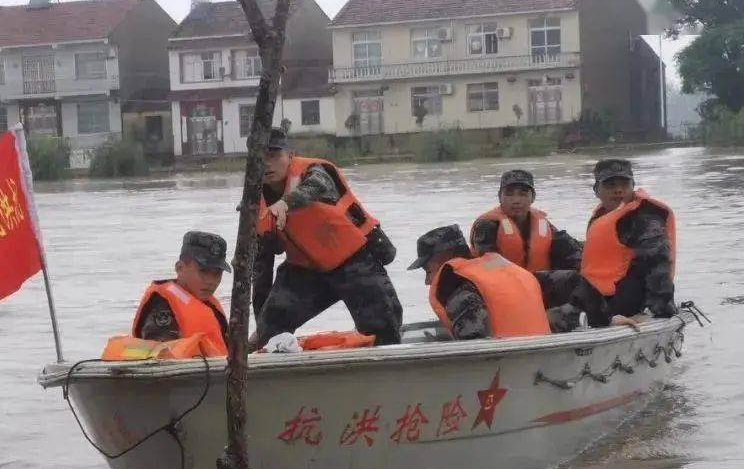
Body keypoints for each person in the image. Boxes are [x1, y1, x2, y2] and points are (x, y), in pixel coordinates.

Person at [252, 128, 402, 347]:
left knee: (382, 329)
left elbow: (319, 185)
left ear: (290, 155)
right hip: (303, 271)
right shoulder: (254, 204)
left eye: (274, 156)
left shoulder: (313, 171)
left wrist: (285, 203)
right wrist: (261, 326)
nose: (267, 164)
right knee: (270, 328)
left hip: (353, 261)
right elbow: (261, 268)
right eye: (260, 157)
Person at [573, 159, 677, 327]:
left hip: (632, 300)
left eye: (624, 184)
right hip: (601, 296)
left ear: (633, 186)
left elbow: (657, 263)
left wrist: (656, 310)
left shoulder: (645, 219)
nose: (618, 190)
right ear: (596, 190)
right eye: (610, 185)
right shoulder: (601, 218)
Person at [408, 225, 552, 340]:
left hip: (504, 363)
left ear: (447, 257)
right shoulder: (507, 272)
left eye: (428, 271)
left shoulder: (456, 284)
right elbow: (570, 280)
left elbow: (473, 336)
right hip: (543, 354)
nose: (427, 282)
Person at [470, 169, 583, 308]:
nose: (516, 200)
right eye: (509, 194)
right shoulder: (487, 225)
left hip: (535, 283)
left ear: (532, 198)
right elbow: (487, 265)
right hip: (501, 287)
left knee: (573, 270)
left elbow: (570, 248)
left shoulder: (543, 224)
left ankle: (600, 317)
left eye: (523, 194)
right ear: (500, 197)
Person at [132, 231, 230, 352]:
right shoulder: (162, 304)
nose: (210, 281)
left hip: (217, 368)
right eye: (203, 271)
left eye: (217, 273)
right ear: (180, 268)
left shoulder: (209, 304)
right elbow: (160, 357)